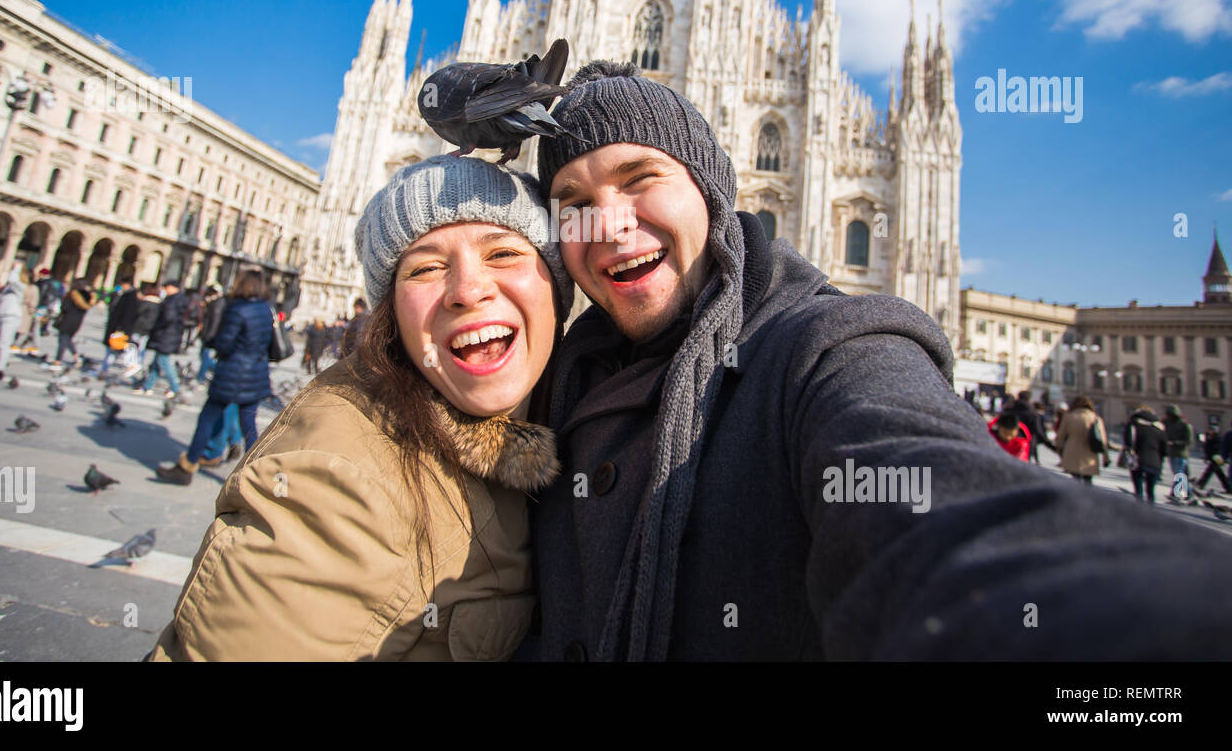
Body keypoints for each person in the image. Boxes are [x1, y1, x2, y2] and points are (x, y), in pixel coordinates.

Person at [524, 58, 1232, 660]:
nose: (609, 225)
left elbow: (919, 478)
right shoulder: (548, 384)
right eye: (573, 202)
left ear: (710, 191)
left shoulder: (826, 347)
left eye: (642, 177)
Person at [148, 155, 572, 659]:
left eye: (503, 253)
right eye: (426, 267)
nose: (468, 290)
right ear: (390, 312)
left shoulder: (563, 419)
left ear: (557, 285)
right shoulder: (334, 485)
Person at [155, 270, 275, 485]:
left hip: (233, 372)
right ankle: (258, 474)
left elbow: (225, 343)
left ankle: (187, 466)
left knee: (207, 418)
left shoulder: (238, 309)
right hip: (256, 372)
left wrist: (214, 342)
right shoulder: (265, 310)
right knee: (249, 425)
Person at [136, 281, 185, 399]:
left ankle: (175, 387)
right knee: (156, 363)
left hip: (166, 335)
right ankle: (148, 386)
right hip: (168, 335)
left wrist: (156, 326)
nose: (165, 290)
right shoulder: (176, 300)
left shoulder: (172, 301)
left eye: (167, 287)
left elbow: (168, 317)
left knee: (164, 361)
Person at [1054, 395, 1109, 485]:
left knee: (1075, 479)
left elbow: (1060, 435)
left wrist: (1058, 449)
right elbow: (1103, 440)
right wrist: (1106, 458)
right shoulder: (1096, 418)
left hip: (1072, 451)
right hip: (1090, 453)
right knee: (1088, 480)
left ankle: (1077, 496)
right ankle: (1087, 496)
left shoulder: (1069, 417)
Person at [1121, 405, 1167, 504]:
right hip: (1155, 462)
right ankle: (1150, 513)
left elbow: (1128, 442)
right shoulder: (1160, 427)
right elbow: (1165, 449)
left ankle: (1140, 512)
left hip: (1137, 460)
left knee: (1139, 491)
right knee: (1151, 492)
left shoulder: (1133, 424)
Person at [100, 278, 139, 378]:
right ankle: (104, 370)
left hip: (120, 328)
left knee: (119, 348)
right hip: (118, 327)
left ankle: (132, 365)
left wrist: (121, 328)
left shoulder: (129, 297)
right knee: (114, 350)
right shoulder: (125, 295)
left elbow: (127, 315)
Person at [53, 278, 95, 365]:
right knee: (68, 339)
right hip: (77, 321)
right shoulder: (87, 296)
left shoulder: (72, 294)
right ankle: (76, 356)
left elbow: (64, 307)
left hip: (67, 320)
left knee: (63, 339)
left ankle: (58, 360)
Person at [126, 282, 161, 379]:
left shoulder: (145, 302)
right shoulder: (159, 304)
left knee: (133, 346)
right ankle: (139, 363)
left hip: (139, 327)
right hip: (150, 329)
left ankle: (133, 364)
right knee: (142, 348)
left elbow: (137, 312)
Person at [1162, 404, 1193, 502]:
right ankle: (1187, 493)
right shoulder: (1167, 423)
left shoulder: (1184, 425)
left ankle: (1178, 493)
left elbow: (1188, 440)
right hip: (1172, 452)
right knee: (1179, 473)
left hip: (1181, 453)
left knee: (1179, 473)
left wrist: (1175, 443)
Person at [1193, 418, 1232, 497]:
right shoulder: (1225, 435)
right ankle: (1229, 488)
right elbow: (1224, 449)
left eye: (1211, 430)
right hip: (1216, 458)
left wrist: (1221, 458)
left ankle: (1201, 484)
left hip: (1217, 457)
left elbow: (1221, 449)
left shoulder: (1219, 438)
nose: (1210, 431)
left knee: (1211, 471)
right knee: (1218, 472)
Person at [195, 285, 225, 383]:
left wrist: (210, 335)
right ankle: (216, 372)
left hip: (210, 334)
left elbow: (214, 321)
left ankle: (202, 376)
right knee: (204, 355)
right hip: (207, 332)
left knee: (205, 355)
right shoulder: (213, 303)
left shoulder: (217, 304)